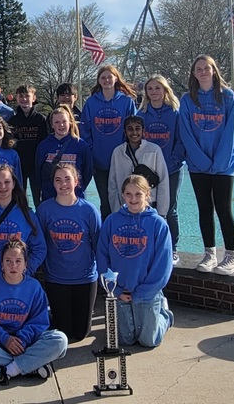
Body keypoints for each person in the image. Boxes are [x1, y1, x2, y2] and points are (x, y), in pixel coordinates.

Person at [0, 239, 69, 387]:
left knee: (60, 340)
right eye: (8, 261)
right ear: (1, 264)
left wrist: (22, 340)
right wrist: (5, 339)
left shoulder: (34, 287)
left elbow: (39, 322)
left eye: (18, 261)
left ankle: (7, 370)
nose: (13, 265)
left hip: (26, 342)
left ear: (26, 264)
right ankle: (31, 365)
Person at [179, 55, 234, 275]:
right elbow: (185, 132)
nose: (203, 72)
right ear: (194, 74)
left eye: (207, 68)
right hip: (199, 165)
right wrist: (200, 159)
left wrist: (220, 161)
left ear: (214, 70)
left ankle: (231, 256)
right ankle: (209, 253)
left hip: (223, 165)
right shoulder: (188, 100)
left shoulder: (228, 97)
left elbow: (232, 132)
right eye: (199, 69)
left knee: (224, 209)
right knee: (204, 209)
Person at [97, 175, 174, 348]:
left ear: (147, 194)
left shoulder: (158, 224)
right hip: (121, 292)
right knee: (124, 340)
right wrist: (115, 291)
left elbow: (163, 265)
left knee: (149, 341)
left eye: (138, 194)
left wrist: (143, 292)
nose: (133, 199)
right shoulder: (111, 221)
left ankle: (165, 314)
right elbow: (102, 256)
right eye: (128, 194)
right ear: (123, 195)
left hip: (147, 293)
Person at [35, 163, 101, 342]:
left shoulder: (88, 210)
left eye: (67, 179)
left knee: (80, 334)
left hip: (85, 278)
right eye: (58, 180)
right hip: (56, 278)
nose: (63, 184)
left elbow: (98, 245)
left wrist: (103, 273)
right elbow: (39, 244)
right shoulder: (44, 210)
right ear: (53, 184)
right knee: (62, 332)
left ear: (76, 181)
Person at [137, 74, 184, 265]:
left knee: (170, 208)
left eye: (158, 88)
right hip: (146, 172)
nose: (154, 92)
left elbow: (181, 141)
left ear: (165, 90)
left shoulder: (174, 113)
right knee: (147, 208)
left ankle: (172, 248)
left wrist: (172, 161)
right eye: (150, 89)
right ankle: (150, 247)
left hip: (171, 169)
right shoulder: (141, 115)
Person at [81, 65, 139, 219]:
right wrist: (92, 150)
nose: (106, 80)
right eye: (103, 77)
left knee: (125, 198)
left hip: (122, 159)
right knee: (106, 201)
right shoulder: (91, 103)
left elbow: (134, 128)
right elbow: (85, 130)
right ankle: (108, 234)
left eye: (109, 77)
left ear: (116, 78)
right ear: (99, 81)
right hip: (100, 161)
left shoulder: (126, 101)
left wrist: (128, 149)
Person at [0, 165, 45, 279]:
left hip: (19, 281)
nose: (3, 186)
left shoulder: (27, 214)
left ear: (14, 184)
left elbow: (39, 247)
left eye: (7, 182)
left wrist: (26, 270)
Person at [108, 115, 169, 225]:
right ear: (125, 132)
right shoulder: (117, 152)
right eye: (130, 129)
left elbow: (163, 181)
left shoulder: (154, 150)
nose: (134, 132)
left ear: (143, 131)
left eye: (137, 128)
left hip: (150, 205)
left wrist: (162, 212)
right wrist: (117, 211)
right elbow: (112, 184)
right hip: (126, 206)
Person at [35, 105, 93, 202]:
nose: (61, 125)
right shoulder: (43, 146)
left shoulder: (81, 145)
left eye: (64, 121)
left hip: (74, 197)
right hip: (50, 197)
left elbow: (87, 171)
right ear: (52, 125)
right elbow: (38, 172)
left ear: (70, 122)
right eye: (57, 122)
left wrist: (78, 187)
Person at [9, 84, 49, 208]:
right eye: (21, 96)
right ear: (16, 98)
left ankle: (40, 223)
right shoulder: (12, 121)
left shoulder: (40, 119)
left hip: (36, 165)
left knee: (39, 198)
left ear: (34, 98)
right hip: (19, 166)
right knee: (20, 198)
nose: (24, 99)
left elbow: (45, 142)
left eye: (27, 96)